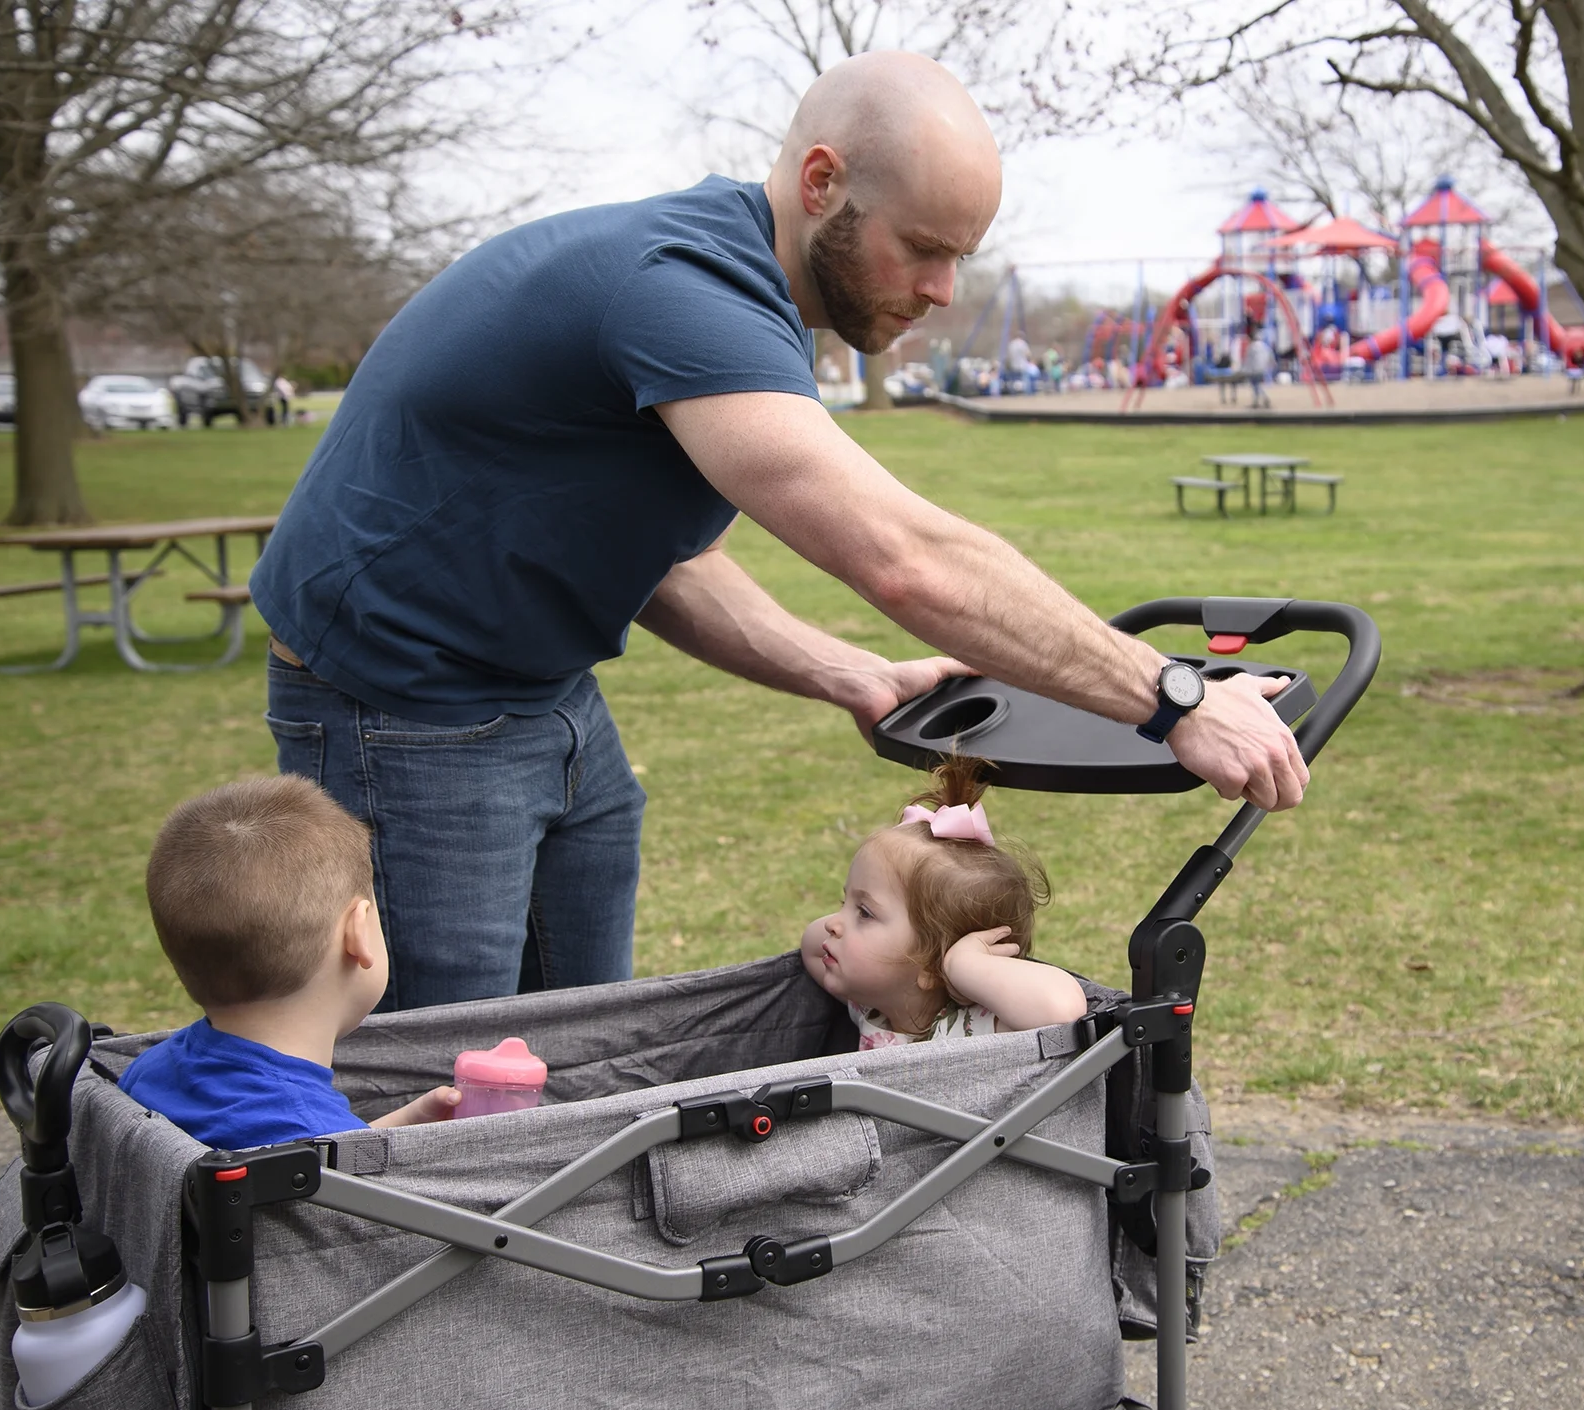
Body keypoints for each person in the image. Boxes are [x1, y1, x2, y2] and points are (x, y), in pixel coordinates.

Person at [249, 53, 1308, 1011]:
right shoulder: (682, 290)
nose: (942, 292)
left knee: (570, 1049)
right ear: (820, 185)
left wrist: (842, 672)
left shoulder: (740, 297)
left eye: (960, 258)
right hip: (402, 704)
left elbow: (667, 559)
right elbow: (908, 557)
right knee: (454, 1080)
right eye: (926, 250)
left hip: (544, 688)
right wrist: (1171, 699)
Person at [119, 777, 462, 1150]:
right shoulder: (309, 1130)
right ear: (357, 933)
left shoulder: (149, 1073)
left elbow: (281, 1157)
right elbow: (312, 1164)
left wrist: (392, 1131)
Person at [800, 760, 1085, 1048]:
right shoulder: (871, 1004)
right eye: (844, 902)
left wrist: (963, 963)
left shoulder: (977, 1027)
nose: (831, 924)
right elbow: (810, 946)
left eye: (864, 913)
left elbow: (1063, 1012)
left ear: (930, 968)